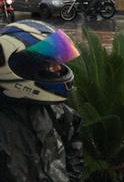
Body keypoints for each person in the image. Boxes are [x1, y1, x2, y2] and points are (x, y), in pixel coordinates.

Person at [0, 20, 85, 180]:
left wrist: (70, 178)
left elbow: (74, 143)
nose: (58, 69)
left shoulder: (56, 111)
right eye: (49, 64)